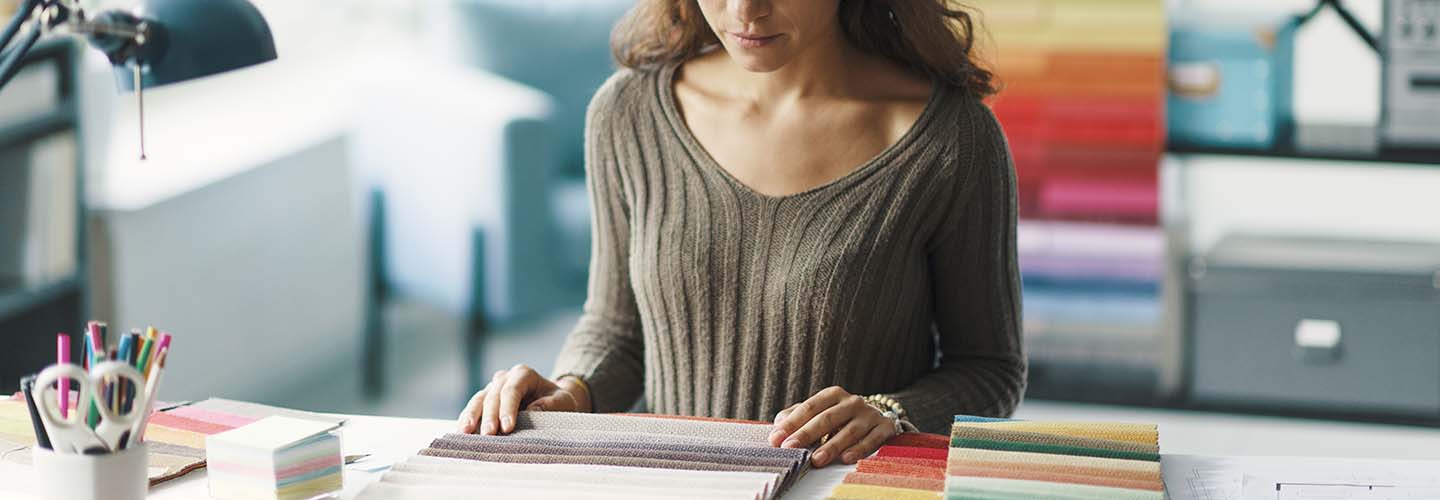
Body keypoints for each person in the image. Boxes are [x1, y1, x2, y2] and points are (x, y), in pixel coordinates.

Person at [457, 0, 1024, 468]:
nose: (745, 11)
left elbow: (989, 368)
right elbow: (618, 328)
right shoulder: (628, 113)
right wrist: (574, 388)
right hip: (674, 481)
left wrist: (892, 413)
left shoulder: (953, 141)